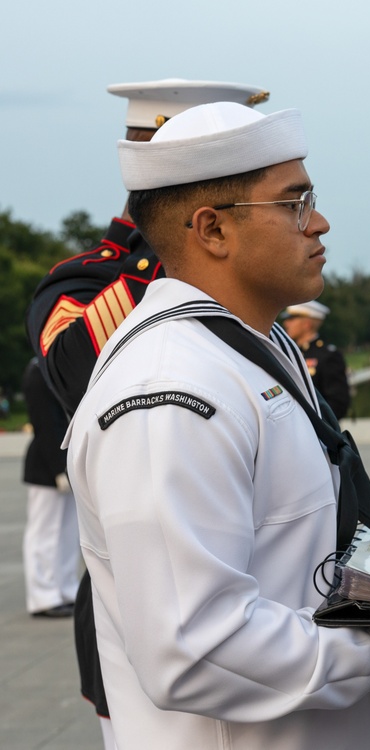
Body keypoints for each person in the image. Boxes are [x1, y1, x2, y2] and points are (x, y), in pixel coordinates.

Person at [64, 101, 370, 749]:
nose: (320, 223)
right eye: (294, 203)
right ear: (213, 230)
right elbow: (196, 649)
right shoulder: (171, 389)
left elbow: (300, 552)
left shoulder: (247, 349)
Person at [24, 78, 272, 748]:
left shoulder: (251, 281)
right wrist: (175, 247)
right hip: (151, 639)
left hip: (277, 619)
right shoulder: (89, 283)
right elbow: (77, 369)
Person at [21, 357, 79, 618]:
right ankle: (43, 595)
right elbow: (45, 424)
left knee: (68, 532)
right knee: (45, 533)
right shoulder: (37, 371)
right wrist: (58, 469)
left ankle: (65, 589)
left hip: (62, 463)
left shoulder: (54, 367)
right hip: (46, 465)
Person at [281, 300, 351, 419]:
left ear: (307, 324)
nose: (286, 324)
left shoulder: (328, 355)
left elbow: (338, 403)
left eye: (292, 319)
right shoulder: (288, 353)